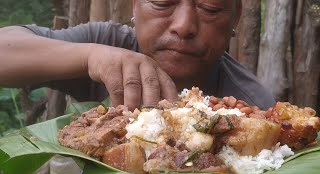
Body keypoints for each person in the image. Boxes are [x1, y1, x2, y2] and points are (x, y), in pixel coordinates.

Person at [0, 0, 275, 111]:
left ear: (235, 18)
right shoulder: (107, 43)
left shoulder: (250, 107)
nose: (183, 25)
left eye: (211, 7)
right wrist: (90, 57)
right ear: (135, 6)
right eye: (162, 2)